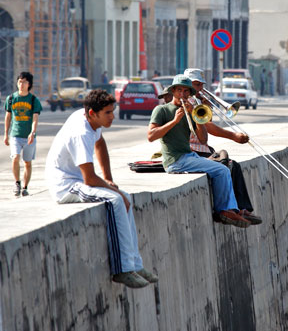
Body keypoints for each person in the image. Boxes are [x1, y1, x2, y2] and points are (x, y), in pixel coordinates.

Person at [45, 89, 158, 289]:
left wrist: (108, 179)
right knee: (115, 200)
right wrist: (111, 189)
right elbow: (89, 179)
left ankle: (135, 264)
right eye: (107, 113)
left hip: (78, 181)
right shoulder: (81, 133)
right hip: (66, 186)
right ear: (92, 113)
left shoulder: (90, 121)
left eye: (112, 111)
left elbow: (100, 142)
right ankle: (122, 270)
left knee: (125, 197)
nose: (112, 116)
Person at [148, 75, 251, 228]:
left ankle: (234, 209)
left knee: (227, 165)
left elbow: (203, 140)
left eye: (185, 92)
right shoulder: (161, 110)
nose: (182, 95)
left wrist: (196, 117)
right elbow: (151, 136)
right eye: (179, 91)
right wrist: (174, 121)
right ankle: (223, 210)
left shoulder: (191, 110)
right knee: (221, 170)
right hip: (175, 161)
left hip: (188, 156)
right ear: (173, 91)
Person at [181, 68, 261, 224]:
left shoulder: (196, 101)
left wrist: (207, 108)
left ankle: (242, 209)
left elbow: (205, 125)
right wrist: (233, 136)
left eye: (201, 85)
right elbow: (209, 127)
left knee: (234, 166)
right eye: (197, 85)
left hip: (201, 149)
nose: (200, 89)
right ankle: (225, 210)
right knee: (226, 166)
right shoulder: (187, 103)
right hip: (192, 150)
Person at [4, 72, 42, 197]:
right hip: (15, 134)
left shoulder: (33, 100)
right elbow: (8, 117)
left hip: (29, 137)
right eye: (20, 81)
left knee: (27, 162)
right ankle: (17, 183)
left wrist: (33, 132)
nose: (21, 84)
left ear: (29, 84)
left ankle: (25, 187)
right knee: (15, 157)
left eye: (24, 82)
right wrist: (6, 134)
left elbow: (35, 118)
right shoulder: (11, 99)